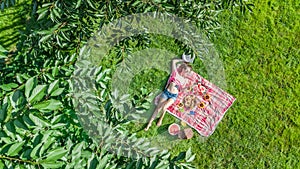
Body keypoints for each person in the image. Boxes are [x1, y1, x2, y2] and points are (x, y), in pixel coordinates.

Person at [144, 58, 192, 131]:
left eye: (188, 72)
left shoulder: (184, 81)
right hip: (166, 93)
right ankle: (149, 123)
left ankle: (161, 119)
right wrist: (183, 60)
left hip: (173, 96)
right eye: (186, 71)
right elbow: (173, 61)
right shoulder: (175, 73)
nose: (187, 73)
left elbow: (181, 90)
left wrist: (186, 89)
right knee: (158, 108)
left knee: (164, 108)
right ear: (182, 69)